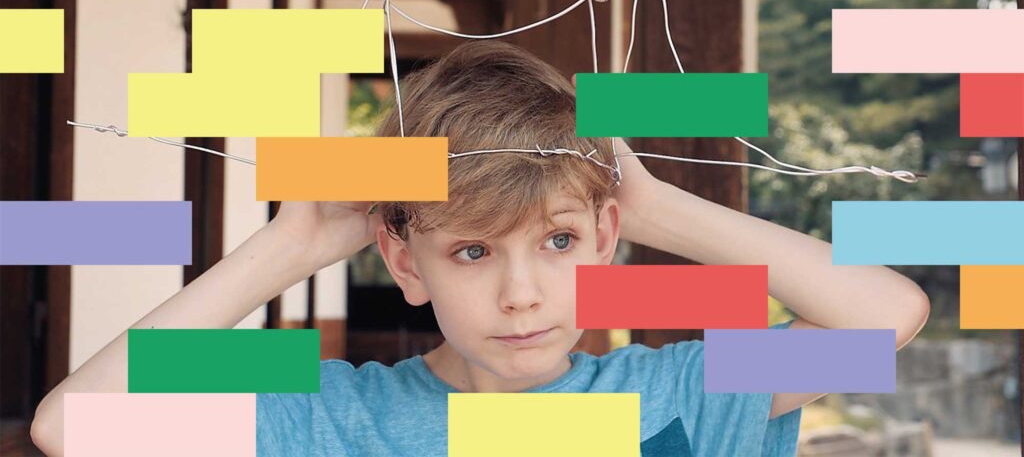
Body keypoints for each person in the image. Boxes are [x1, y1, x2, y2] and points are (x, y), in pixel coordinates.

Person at [30, 40, 931, 457]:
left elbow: (885, 316)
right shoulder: (332, 417)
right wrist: (291, 245)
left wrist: (654, 209)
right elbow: (71, 428)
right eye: (472, 253)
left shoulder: (681, 395)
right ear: (405, 263)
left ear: (603, 240)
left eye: (559, 241)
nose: (522, 294)